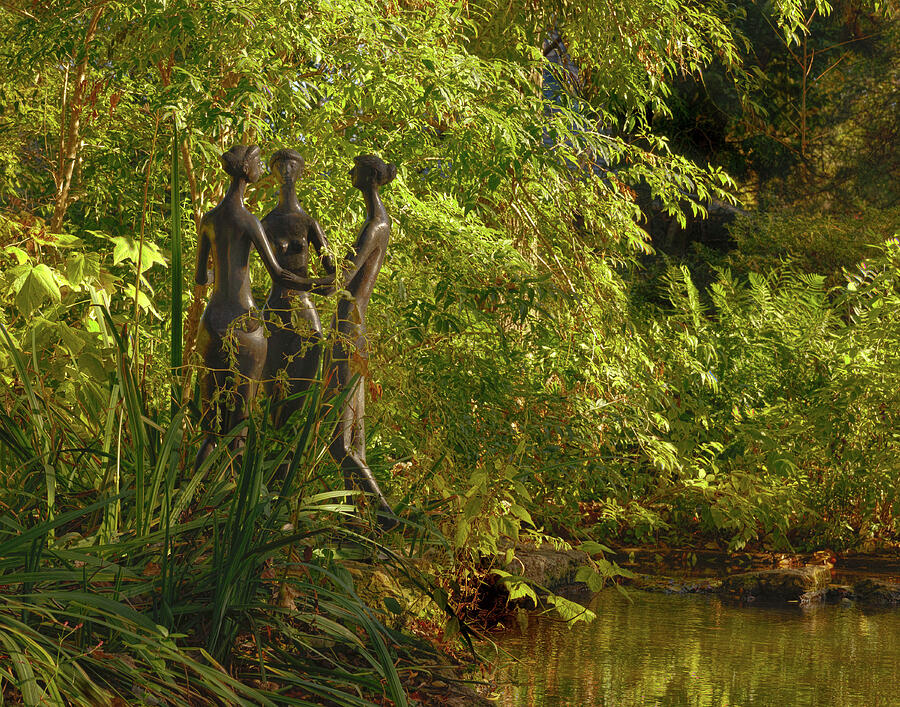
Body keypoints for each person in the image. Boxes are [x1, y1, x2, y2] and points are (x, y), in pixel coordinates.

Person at [193, 145, 332, 471]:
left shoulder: (209, 220)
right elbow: (279, 274)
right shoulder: (250, 221)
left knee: (211, 430)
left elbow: (202, 277)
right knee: (239, 427)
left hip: (211, 321)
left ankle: (195, 501)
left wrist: (223, 275)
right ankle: (238, 509)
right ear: (247, 170)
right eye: (259, 163)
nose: (265, 170)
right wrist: (317, 286)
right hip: (245, 325)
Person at [327, 154, 398, 529]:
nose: (349, 172)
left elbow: (342, 277)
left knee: (340, 442)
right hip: (357, 327)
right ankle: (359, 523)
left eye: (354, 168)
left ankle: (384, 514)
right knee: (355, 442)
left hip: (349, 328)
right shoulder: (381, 222)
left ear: (367, 177)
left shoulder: (374, 226)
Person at [261, 149, 335, 428]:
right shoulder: (265, 223)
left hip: (305, 314)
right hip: (275, 313)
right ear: (273, 173)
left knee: (298, 397)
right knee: (274, 401)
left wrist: (304, 284)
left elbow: (335, 279)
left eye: (292, 165)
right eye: (280, 165)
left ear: (301, 171)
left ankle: (291, 460)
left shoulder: (308, 223)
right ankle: (269, 463)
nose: (287, 170)